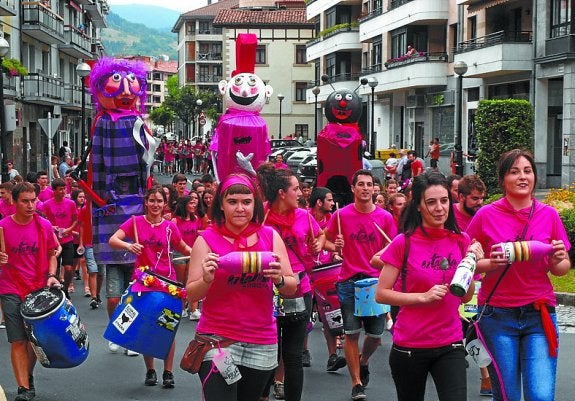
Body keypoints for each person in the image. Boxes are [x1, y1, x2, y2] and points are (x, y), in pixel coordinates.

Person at [466, 149, 571, 401]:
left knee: (541, 396)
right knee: (507, 396)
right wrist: (491, 263)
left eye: (527, 171)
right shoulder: (486, 215)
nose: (522, 177)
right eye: (514, 172)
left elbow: (561, 267)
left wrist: (558, 259)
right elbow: (467, 263)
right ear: (503, 179)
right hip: (497, 316)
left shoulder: (549, 215)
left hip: (539, 314)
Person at [186, 174, 297, 401]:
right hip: (218, 341)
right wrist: (206, 279)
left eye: (246, 202)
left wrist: (279, 279)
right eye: (232, 202)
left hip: (261, 342)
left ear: (255, 205)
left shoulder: (270, 236)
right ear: (221, 205)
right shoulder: (206, 240)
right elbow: (191, 294)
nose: (240, 208)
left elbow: (291, 288)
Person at [376, 171, 482, 401]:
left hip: (450, 342)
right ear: (418, 206)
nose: (439, 208)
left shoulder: (461, 239)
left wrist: (469, 264)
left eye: (444, 201)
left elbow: (466, 297)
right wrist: (421, 297)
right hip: (410, 346)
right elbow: (381, 294)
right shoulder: (403, 242)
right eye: (431, 202)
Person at [109, 186, 193, 388]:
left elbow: (183, 247)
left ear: (165, 204)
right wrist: (129, 246)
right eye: (152, 200)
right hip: (144, 283)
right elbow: (113, 240)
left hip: (168, 284)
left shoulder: (170, 227)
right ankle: (150, 370)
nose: (156, 205)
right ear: (146, 202)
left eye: (159, 201)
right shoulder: (135, 222)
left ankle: (168, 372)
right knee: (147, 326)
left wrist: (201, 254)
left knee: (167, 326)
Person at [324, 169, 397, 401]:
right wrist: (335, 246)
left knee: (375, 336)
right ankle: (356, 383)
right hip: (349, 281)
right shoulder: (341, 215)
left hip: (375, 282)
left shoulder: (385, 217)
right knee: (351, 334)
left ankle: (363, 362)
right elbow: (324, 240)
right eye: (361, 184)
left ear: (374, 189)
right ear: (353, 188)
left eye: (369, 185)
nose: (365, 188)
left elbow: (394, 247)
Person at [257, 164, 324, 401]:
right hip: (266, 290)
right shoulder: (260, 216)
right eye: (296, 189)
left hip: (299, 288)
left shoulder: (304, 215)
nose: (301, 193)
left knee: (293, 356)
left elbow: (321, 235)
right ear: (282, 193)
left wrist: (317, 244)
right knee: (268, 351)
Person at [0, 182, 60, 401]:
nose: (30, 205)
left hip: (38, 289)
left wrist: (52, 275)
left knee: (33, 340)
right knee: (18, 340)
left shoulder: (44, 225)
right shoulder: (2, 227)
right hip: (10, 287)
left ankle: (28, 375)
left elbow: (52, 254)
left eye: (33, 200)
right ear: (14, 202)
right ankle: (23, 388)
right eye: (25, 201)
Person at [450, 174, 491, 396]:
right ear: (461, 197)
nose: (479, 203)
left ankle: (486, 377)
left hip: (477, 281)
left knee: (476, 327)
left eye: (482, 198)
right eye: (475, 198)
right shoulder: (448, 216)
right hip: (451, 280)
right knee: (459, 329)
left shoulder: (484, 216)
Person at [309, 187, 347, 372]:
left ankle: (332, 356)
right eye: (329, 200)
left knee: (328, 315)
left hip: (325, 273)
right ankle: (303, 350)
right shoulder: (305, 218)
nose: (332, 203)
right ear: (319, 202)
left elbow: (334, 245)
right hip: (306, 273)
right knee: (304, 316)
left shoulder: (332, 220)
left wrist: (336, 251)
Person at [42, 178, 78, 299]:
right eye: (60, 189)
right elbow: (43, 220)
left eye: (64, 189)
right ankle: (57, 291)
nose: (63, 191)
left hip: (67, 239)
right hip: (53, 240)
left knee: (68, 268)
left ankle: (65, 288)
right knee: (55, 269)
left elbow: (75, 220)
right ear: (54, 190)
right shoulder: (47, 204)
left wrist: (69, 230)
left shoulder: (70, 203)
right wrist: (52, 227)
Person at [172, 193, 205, 320]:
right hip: (179, 253)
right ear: (184, 205)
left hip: (193, 253)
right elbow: (173, 239)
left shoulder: (195, 218)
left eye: (194, 203)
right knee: (181, 282)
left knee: (192, 280)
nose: (194, 205)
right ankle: (181, 308)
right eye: (191, 203)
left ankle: (194, 309)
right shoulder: (175, 221)